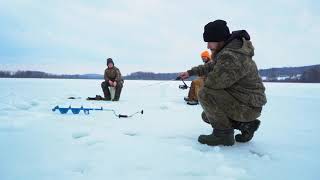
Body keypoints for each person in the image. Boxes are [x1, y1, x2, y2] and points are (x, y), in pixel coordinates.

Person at [179, 20, 267, 146]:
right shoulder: (228, 51)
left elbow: (214, 83)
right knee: (207, 115)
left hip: (248, 106)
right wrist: (190, 72)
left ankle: (223, 135)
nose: (208, 46)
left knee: (205, 93)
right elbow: (210, 66)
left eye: (210, 42)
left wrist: (200, 80)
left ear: (219, 39)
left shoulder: (232, 56)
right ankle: (246, 125)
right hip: (246, 102)